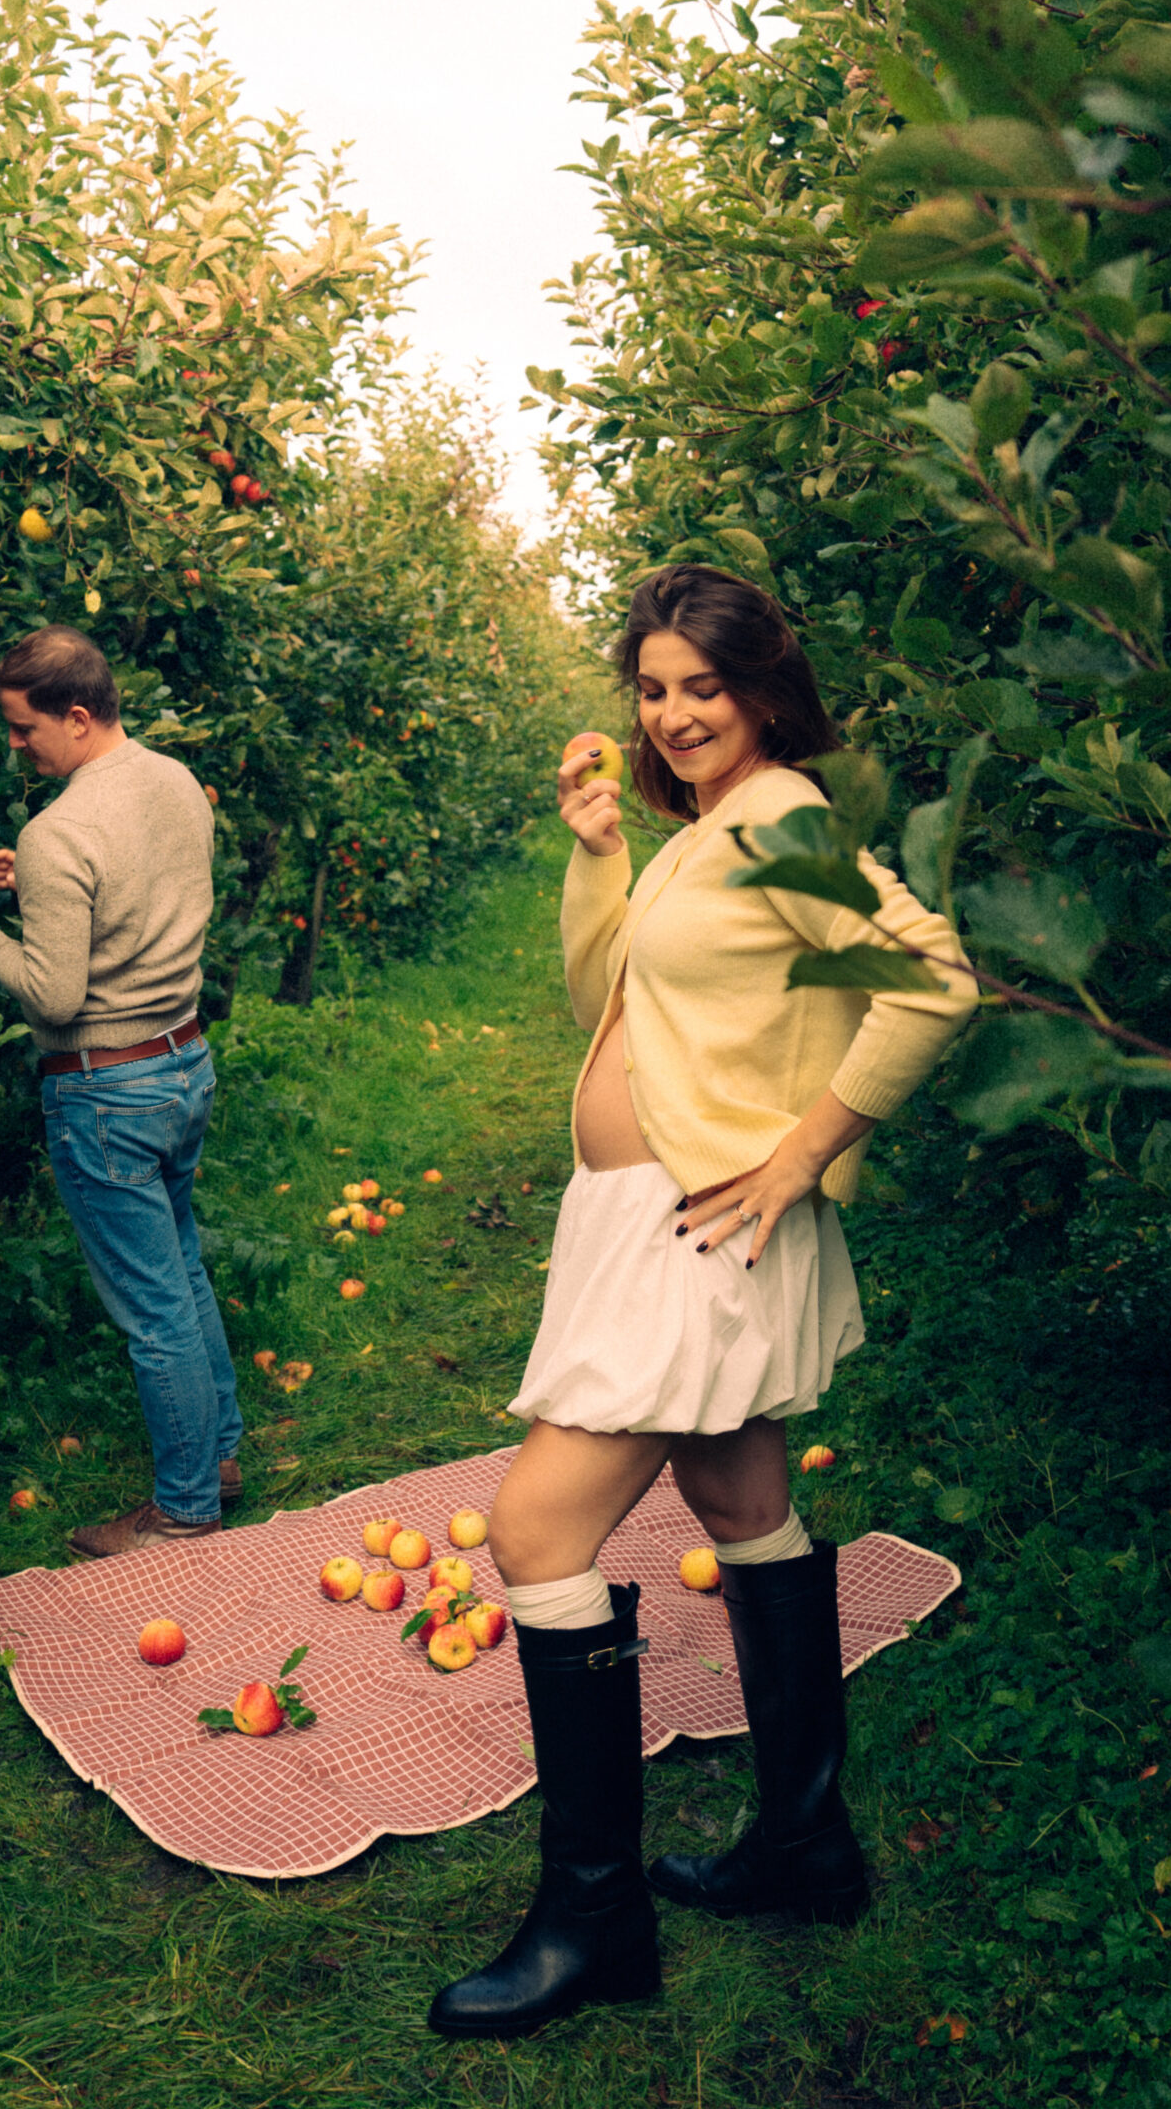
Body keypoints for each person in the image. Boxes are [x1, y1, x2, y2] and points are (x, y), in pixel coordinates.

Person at [427, 564, 978, 2042]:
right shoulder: (704, 829)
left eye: (702, 688)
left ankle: (595, 1920)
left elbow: (934, 982)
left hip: (697, 1219)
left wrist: (804, 1153)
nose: (673, 715)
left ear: (762, 688)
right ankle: (805, 1845)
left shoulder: (787, 824)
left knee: (540, 1530)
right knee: (740, 1498)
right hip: (646, 1218)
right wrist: (600, 849)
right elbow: (612, 995)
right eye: (654, 689)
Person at [0, 624, 243, 1556]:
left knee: (153, 1308)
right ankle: (217, 1457)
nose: (16, 747)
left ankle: (184, 1512)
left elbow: (54, 997)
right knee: (180, 1268)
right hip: (182, 1064)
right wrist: (41, 891)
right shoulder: (175, 782)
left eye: (24, 731)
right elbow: (147, 891)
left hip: (108, 1091)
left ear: (79, 715)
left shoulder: (57, 830)